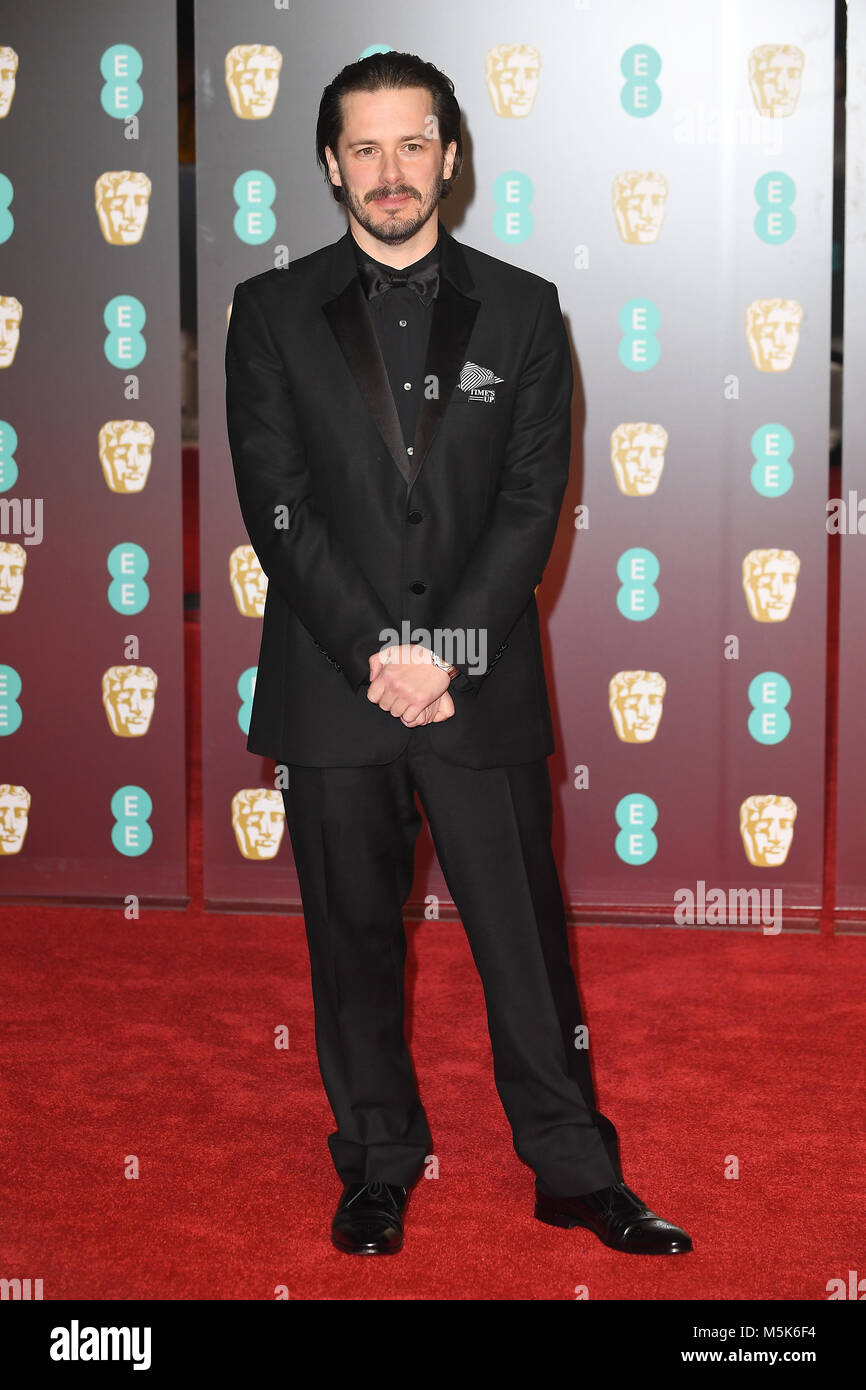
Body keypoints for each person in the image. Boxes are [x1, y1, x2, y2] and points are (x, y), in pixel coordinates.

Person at [225, 50, 692, 1259]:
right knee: (353, 940)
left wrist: (441, 651)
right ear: (330, 164)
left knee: (524, 942)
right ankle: (376, 1163)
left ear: (450, 155)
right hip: (335, 689)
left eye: (412, 143)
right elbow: (276, 507)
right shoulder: (267, 313)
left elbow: (531, 504)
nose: (391, 171)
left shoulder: (525, 309)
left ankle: (574, 1170)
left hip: (473, 684)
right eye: (365, 148)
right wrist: (378, 652)